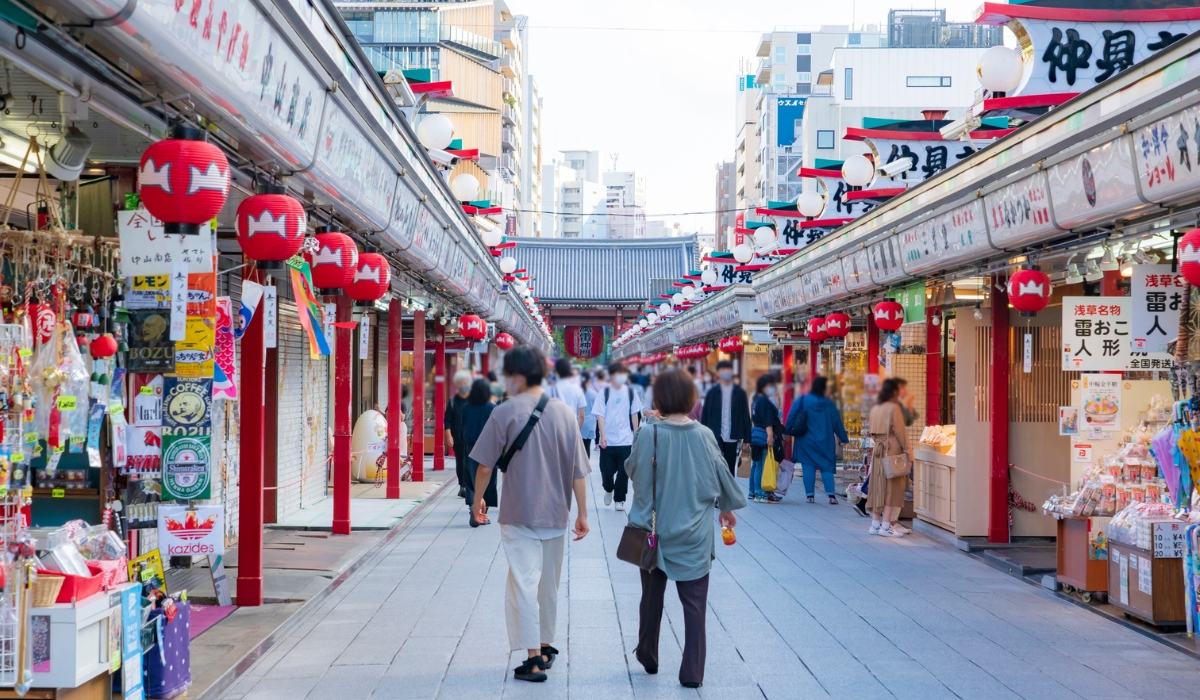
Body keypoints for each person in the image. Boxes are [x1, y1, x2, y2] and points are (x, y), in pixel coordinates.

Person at [468, 345, 591, 682]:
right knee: (548, 585)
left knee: (523, 583)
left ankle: (534, 660)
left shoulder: (504, 412)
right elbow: (578, 471)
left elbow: (483, 467)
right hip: (556, 512)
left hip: (519, 512)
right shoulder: (565, 413)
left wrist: (479, 501)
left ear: (518, 376)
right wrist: (582, 513)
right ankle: (546, 644)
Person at [625, 369, 747, 689]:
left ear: (659, 398)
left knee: (651, 597)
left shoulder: (648, 434)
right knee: (694, 606)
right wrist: (726, 508)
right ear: (692, 398)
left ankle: (648, 655)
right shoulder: (704, 434)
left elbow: (634, 472)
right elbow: (721, 473)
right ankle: (692, 673)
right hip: (694, 532)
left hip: (653, 531)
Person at [788, 377, 849, 505]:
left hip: (805, 440)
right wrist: (843, 438)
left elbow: (792, 415)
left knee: (808, 466)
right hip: (825, 440)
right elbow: (837, 422)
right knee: (826, 466)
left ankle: (810, 496)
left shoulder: (803, 400)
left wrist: (786, 431)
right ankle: (831, 496)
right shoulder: (829, 404)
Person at [593, 361, 643, 510]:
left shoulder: (630, 392)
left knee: (623, 472)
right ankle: (608, 489)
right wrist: (602, 435)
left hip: (626, 439)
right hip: (608, 440)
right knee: (606, 472)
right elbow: (600, 415)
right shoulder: (605, 392)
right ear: (612, 375)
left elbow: (634, 414)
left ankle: (619, 499)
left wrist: (636, 434)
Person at [867, 378, 912, 537]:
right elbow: (901, 433)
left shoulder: (875, 408)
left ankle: (875, 524)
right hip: (892, 451)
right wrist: (909, 453)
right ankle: (886, 526)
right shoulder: (894, 408)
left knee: (878, 487)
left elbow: (871, 430)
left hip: (878, 450)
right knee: (892, 488)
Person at [700, 360, 750, 477]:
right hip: (715, 433)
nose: (726, 372)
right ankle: (717, 491)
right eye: (723, 370)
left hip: (732, 434)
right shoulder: (712, 392)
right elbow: (705, 414)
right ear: (718, 373)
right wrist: (702, 433)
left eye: (728, 369)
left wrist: (747, 438)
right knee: (715, 463)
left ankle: (729, 492)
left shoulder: (739, 393)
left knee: (729, 466)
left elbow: (745, 414)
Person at [460, 378, 497, 526]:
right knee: (487, 477)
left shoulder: (465, 407)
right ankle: (483, 513)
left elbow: (462, 427)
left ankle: (472, 506)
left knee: (471, 476)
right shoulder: (492, 407)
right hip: (488, 446)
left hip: (470, 444)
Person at [749, 374, 784, 503]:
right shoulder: (763, 401)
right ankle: (760, 493)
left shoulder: (756, 399)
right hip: (763, 434)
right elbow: (767, 421)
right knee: (762, 465)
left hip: (755, 433)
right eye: (770, 385)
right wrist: (770, 435)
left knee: (757, 465)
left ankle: (753, 491)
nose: (772, 388)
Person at [447, 370, 472, 498]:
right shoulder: (452, 401)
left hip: (472, 437)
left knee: (470, 461)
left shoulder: (475, 400)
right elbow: (448, 421)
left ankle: (470, 485)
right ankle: (462, 485)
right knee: (460, 462)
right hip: (458, 437)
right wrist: (448, 435)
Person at [546, 358, 587, 429]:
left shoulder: (549, 389)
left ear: (556, 372)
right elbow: (581, 416)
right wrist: (577, 431)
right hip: (571, 426)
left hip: (554, 428)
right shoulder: (578, 389)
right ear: (570, 371)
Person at [580, 371, 599, 457]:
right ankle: (586, 468)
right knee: (587, 447)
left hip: (577, 422)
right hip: (589, 423)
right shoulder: (594, 394)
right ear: (589, 380)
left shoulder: (577, 392)